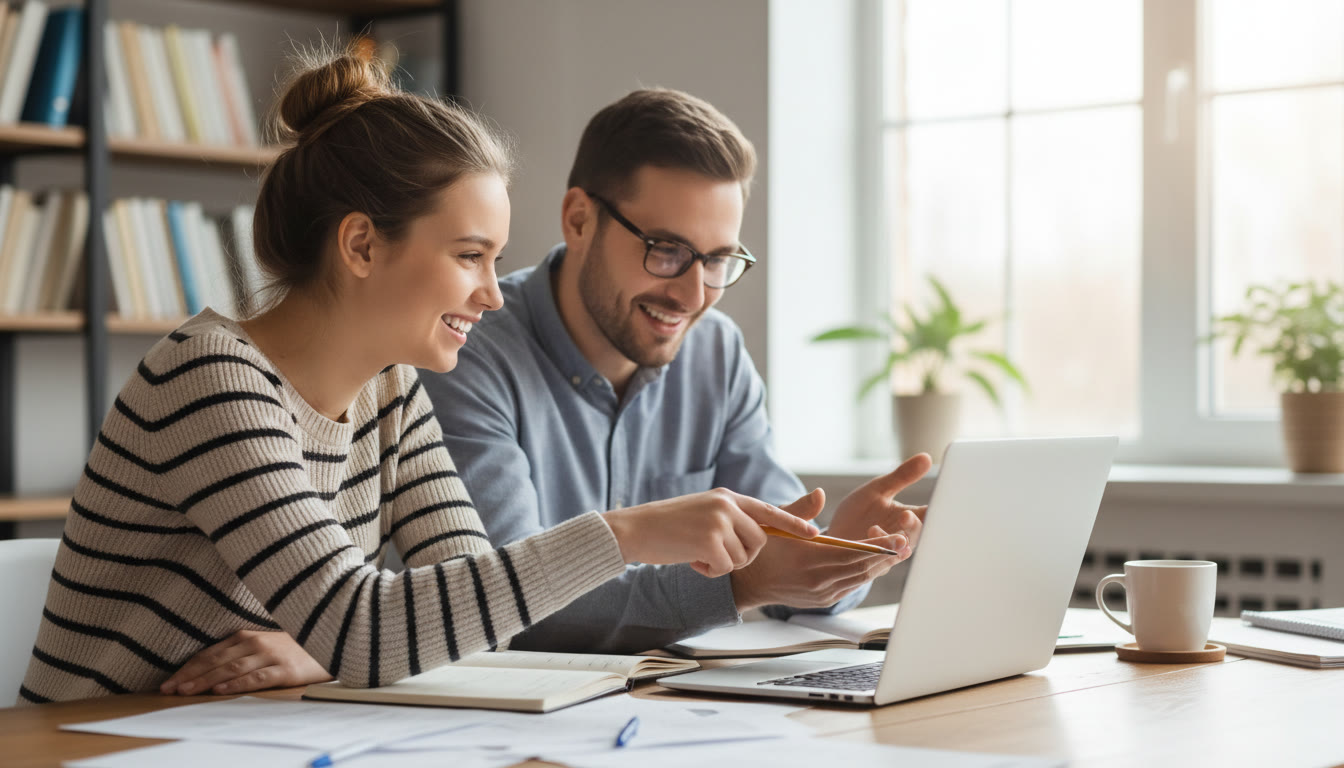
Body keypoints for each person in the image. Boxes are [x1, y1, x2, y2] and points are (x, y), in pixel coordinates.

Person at [17, 54, 821, 705]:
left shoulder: (390, 394)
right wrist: (627, 533)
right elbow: (364, 628)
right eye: (469, 256)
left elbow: (482, 611)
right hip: (92, 748)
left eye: (497, 261)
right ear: (362, 246)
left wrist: (328, 653)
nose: (493, 293)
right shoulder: (214, 380)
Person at [419, 88, 932, 655]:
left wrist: (838, 547)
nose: (693, 295)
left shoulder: (715, 351)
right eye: (665, 250)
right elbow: (504, 603)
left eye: (717, 261)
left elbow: (780, 559)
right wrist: (742, 585)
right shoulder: (466, 350)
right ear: (579, 219)